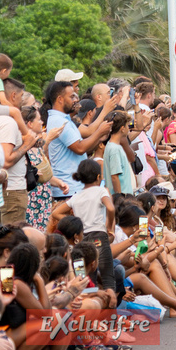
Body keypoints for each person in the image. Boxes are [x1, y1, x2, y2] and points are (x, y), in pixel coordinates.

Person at [52, 159, 117, 295]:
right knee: (107, 278)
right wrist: (109, 226)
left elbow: (56, 213)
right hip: (99, 237)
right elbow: (110, 208)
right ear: (99, 177)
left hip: (81, 240)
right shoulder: (101, 191)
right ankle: (111, 312)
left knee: (85, 279)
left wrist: (76, 223)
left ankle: (88, 311)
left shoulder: (76, 196)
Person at [43, 81, 112, 200]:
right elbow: (79, 148)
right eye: (71, 96)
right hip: (68, 188)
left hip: (73, 187)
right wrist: (99, 132)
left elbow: (83, 149)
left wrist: (99, 137)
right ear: (60, 99)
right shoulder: (59, 121)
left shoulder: (65, 119)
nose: (75, 100)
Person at [0, 79, 36, 223]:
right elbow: (6, 161)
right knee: (11, 241)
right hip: (11, 191)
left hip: (4, 190)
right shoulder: (8, 122)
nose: (22, 102)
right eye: (21, 97)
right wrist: (27, 144)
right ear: (13, 96)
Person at [102, 111, 134, 196]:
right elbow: (114, 177)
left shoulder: (112, 146)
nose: (129, 128)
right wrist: (120, 198)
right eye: (127, 125)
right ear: (122, 128)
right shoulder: (114, 149)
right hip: (122, 197)